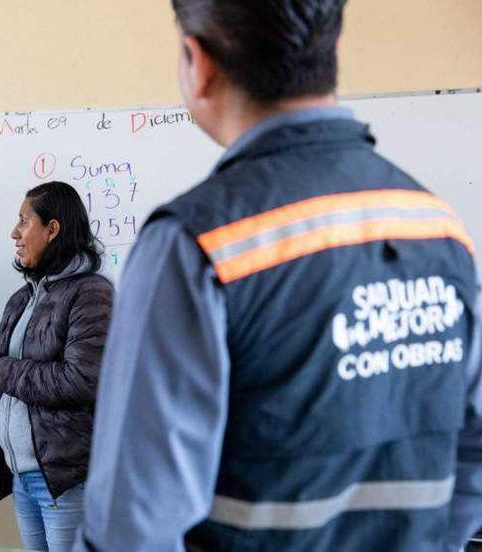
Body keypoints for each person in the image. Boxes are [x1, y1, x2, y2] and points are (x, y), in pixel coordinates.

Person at [76, 1, 482, 551]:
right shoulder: (438, 228)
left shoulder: (195, 244)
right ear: (330, 50)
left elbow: (134, 528)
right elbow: (472, 458)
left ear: (198, 61)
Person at [0, 181, 112, 552]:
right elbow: (6, 375)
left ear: (52, 229)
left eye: (23, 222)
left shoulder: (91, 293)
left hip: (65, 478)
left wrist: (0, 370)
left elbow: (81, 380)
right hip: (22, 476)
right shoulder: (23, 297)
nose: (13, 233)